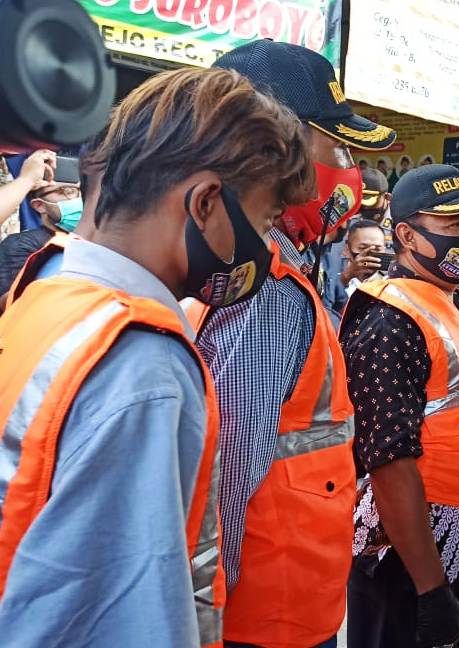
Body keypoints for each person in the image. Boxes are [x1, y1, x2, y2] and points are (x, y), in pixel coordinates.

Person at [0, 65, 314, 646]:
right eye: (266, 223)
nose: (267, 254)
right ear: (205, 204)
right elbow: (124, 619)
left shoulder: (42, 295)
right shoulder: (142, 363)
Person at [196, 40, 396, 648]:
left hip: (284, 593)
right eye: (332, 145)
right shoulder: (267, 290)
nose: (346, 170)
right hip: (263, 612)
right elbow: (231, 462)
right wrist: (206, 619)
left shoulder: (270, 268)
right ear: (266, 142)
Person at [341, 164, 459, 648]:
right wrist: (431, 587)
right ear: (407, 235)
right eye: (454, 226)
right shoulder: (388, 321)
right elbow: (388, 460)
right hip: (410, 560)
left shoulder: (448, 297)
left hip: (458, 544)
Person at [0, 178, 81, 296]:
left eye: (79, 191)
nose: (77, 199)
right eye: (67, 192)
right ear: (39, 205)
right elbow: (11, 302)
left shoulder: (93, 241)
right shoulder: (22, 244)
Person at [341, 219, 387, 296]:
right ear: (347, 250)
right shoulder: (331, 281)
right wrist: (346, 277)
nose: (370, 254)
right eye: (363, 248)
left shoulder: (392, 284)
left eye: (377, 249)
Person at [359, 167, 395, 251]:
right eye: (361, 201)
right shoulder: (351, 223)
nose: (365, 206)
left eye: (371, 202)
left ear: (387, 197)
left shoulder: (399, 223)